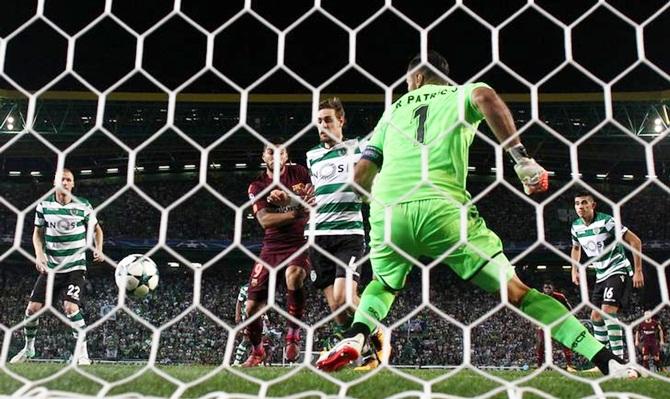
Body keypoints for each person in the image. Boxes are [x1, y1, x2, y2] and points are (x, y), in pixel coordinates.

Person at [316, 50, 637, 378]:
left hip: (388, 212)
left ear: (416, 78)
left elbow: (360, 178)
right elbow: (485, 96)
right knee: (518, 293)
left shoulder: (391, 113)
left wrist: (378, 205)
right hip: (442, 209)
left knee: (383, 285)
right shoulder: (460, 92)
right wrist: (521, 160)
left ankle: (356, 336)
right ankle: (606, 362)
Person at [306, 97, 384, 370]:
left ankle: (378, 332)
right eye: (319, 121)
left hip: (348, 234)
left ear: (341, 121)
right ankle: (370, 356)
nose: (322, 125)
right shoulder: (312, 155)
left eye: (328, 119)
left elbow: (382, 132)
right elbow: (314, 194)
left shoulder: (358, 148)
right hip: (317, 236)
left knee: (347, 298)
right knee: (337, 308)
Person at [10, 168, 104, 365]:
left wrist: (99, 248)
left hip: (75, 266)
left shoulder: (83, 205)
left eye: (69, 179)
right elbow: (37, 234)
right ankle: (29, 349)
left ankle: (82, 354)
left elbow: (97, 230)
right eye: (61, 179)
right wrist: (39, 255)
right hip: (52, 267)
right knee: (32, 310)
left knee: (70, 307)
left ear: (73, 184)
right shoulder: (44, 206)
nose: (65, 182)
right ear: (54, 183)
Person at [242, 139, 312, 367]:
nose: (275, 156)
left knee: (294, 275)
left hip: (299, 242)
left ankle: (293, 333)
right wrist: (295, 211)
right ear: (264, 157)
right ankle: (257, 351)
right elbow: (265, 220)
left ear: (286, 156)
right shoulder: (257, 186)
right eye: (270, 152)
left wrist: (292, 204)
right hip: (271, 246)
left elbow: (311, 205)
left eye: (280, 152)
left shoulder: (300, 172)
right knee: (251, 308)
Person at [571, 191, 644, 360]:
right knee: (595, 316)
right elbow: (576, 248)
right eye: (577, 203)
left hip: (618, 269)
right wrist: (574, 269)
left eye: (584, 203)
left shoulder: (606, 221)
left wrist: (638, 270)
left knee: (607, 311)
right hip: (600, 274)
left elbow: (635, 241)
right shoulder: (576, 226)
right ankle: (602, 361)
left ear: (592, 205)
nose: (580, 207)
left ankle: (617, 360)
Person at [536, 281, 576, 372]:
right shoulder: (540, 297)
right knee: (541, 343)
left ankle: (569, 365)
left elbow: (569, 309)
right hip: (545, 324)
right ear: (543, 289)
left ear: (553, 288)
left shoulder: (560, 297)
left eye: (549, 287)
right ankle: (539, 366)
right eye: (545, 287)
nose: (547, 289)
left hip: (559, 324)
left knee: (565, 343)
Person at [232, 283, 251, 366]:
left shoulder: (261, 288)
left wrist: (265, 317)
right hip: (248, 317)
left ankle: (257, 361)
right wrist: (237, 315)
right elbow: (239, 302)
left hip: (259, 316)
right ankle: (236, 361)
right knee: (246, 339)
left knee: (261, 339)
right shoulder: (245, 288)